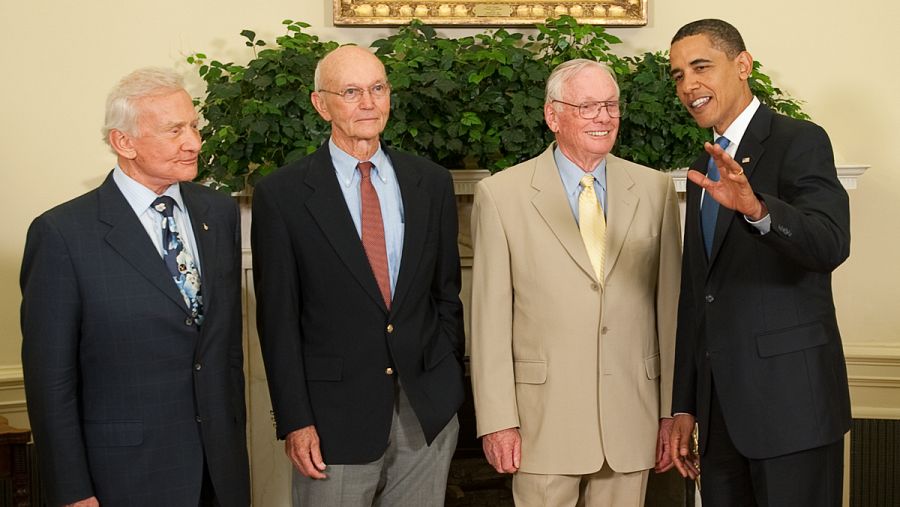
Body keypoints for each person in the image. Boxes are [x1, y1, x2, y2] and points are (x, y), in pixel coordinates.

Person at [20, 68, 250, 507]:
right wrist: (72, 491)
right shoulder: (62, 234)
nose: (194, 143)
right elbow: (51, 381)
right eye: (174, 130)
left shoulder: (217, 213)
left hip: (220, 471)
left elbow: (224, 350)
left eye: (194, 126)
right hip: (124, 478)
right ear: (123, 142)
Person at [251, 45, 465, 507]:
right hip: (332, 421)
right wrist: (295, 420)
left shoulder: (431, 182)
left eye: (377, 88)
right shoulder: (282, 196)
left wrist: (447, 380)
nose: (368, 103)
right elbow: (278, 321)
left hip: (425, 411)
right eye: (351, 91)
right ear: (320, 104)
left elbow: (446, 294)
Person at [470, 59, 682, 507]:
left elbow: (671, 312)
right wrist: (497, 420)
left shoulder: (655, 190)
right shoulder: (502, 195)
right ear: (553, 116)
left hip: (633, 419)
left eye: (610, 105)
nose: (603, 117)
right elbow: (488, 320)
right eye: (588, 107)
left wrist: (670, 412)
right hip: (541, 424)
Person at [667, 19, 851, 506]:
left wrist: (759, 211)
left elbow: (830, 244)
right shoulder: (703, 165)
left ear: (742, 64)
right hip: (721, 416)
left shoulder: (800, 140)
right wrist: (684, 405)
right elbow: (696, 294)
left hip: (794, 410)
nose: (688, 85)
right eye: (678, 75)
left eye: (700, 67)